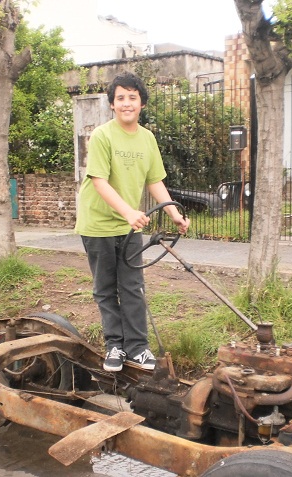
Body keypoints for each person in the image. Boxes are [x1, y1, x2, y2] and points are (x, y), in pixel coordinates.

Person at [75, 72, 190, 372]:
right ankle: (114, 346)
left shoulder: (147, 138)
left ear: (142, 104)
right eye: (120, 98)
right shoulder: (102, 135)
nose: (126, 103)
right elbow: (98, 180)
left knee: (133, 287)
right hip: (98, 224)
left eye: (132, 97)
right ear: (112, 104)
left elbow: (155, 181)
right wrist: (128, 211)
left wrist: (173, 213)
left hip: (129, 227)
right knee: (105, 288)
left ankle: (137, 348)